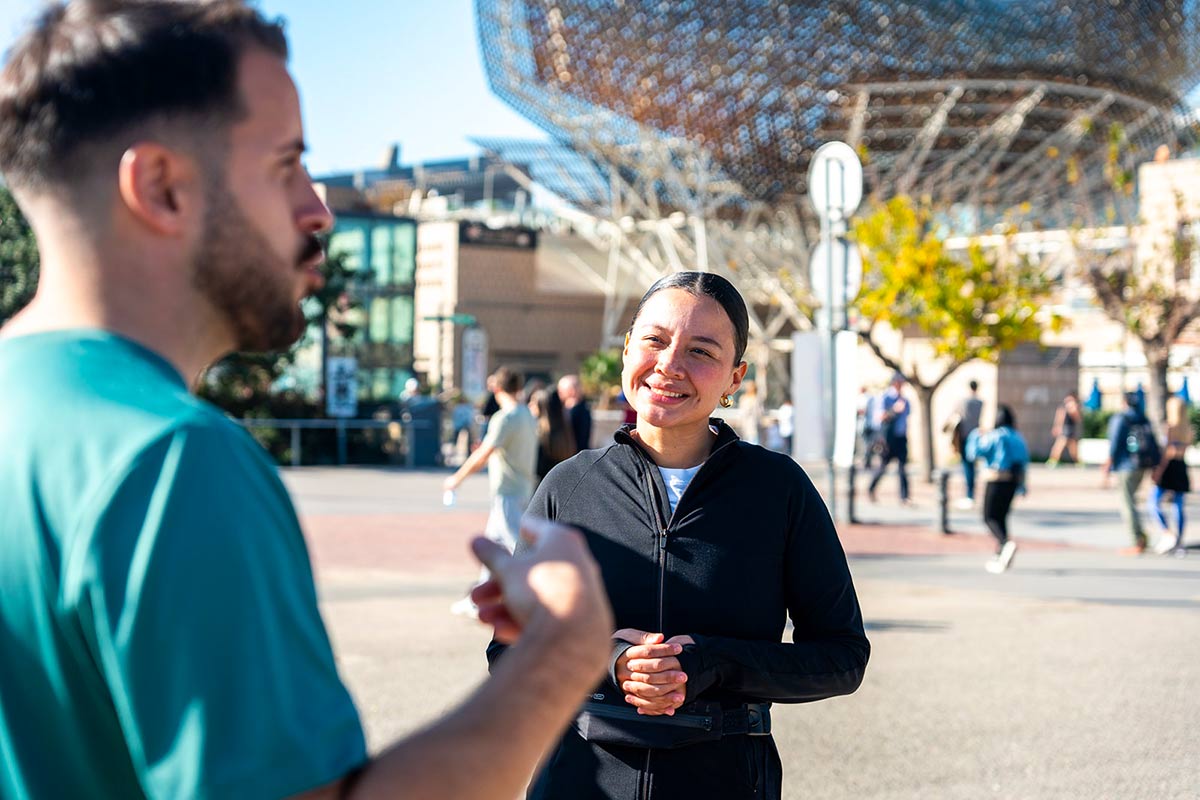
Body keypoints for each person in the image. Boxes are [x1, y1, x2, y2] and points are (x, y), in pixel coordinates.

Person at [0, 4, 613, 798]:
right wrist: (562, 654)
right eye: (286, 164)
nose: (318, 208)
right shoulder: (170, 463)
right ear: (159, 185)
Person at [487, 272, 870, 799]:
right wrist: (611, 660)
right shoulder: (568, 486)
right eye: (655, 340)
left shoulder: (778, 490)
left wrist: (713, 662)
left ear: (735, 378)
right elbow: (508, 650)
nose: (669, 364)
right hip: (581, 779)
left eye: (701, 351)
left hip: (725, 779)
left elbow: (841, 657)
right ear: (626, 350)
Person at [445, 366, 539, 614]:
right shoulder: (527, 415)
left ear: (496, 388)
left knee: (518, 548)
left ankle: (537, 600)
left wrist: (456, 478)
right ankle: (478, 600)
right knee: (494, 545)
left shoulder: (505, 418)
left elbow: (483, 454)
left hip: (507, 491)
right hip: (521, 489)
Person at [965, 405, 1030, 574]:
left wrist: (975, 435)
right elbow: (1024, 463)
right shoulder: (1018, 437)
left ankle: (1005, 543)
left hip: (996, 479)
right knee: (1002, 516)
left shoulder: (996, 436)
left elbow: (974, 452)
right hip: (1013, 481)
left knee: (989, 517)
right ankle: (1001, 553)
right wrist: (1023, 486)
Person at [1104, 392, 1162, 555]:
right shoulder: (1143, 418)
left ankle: (1137, 540)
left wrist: (1108, 463)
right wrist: (1155, 466)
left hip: (1125, 465)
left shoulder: (1121, 418)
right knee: (1132, 501)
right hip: (1143, 465)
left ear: (1124, 402)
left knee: (1127, 503)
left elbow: (1114, 442)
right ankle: (1141, 535)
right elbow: (1154, 443)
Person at [1149, 396, 1192, 555]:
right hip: (1181, 465)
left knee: (1153, 502)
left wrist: (1158, 471)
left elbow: (1167, 453)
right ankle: (1179, 541)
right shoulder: (1188, 429)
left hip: (1169, 466)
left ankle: (1167, 533)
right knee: (1178, 505)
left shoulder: (1170, 427)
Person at [868, 373, 912, 505]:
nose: (901, 386)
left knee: (903, 468)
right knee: (883, 467)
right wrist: (894, 410)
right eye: (900, 383)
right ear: (894, 383)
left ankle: (904, 497)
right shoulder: (885, 397)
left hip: (901, 437)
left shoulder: (905, 400)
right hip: (888, 438)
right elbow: (879, 417)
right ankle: (871, 488)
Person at [529, 385, 576, 482]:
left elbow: (537, 468)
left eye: (533, 402)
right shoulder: (565, 431)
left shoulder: (541, 434)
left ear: (542, 407)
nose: (529, 405)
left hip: (543, 486)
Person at [952, 380, 984, 510]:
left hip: (964, 435)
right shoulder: (980, 402)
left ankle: (969, 494)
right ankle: (971, 494)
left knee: (966, 466)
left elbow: (956, 414)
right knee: (972, 465)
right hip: (975, 435)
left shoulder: (964, 401)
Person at [558, 373, 594, 453]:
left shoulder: (576, 410)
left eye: (561, 391)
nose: (559, 394)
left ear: (571, 391)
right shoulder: (584, 408)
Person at [1046, 391, 1083, 467]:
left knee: (1073, 447)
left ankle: (1077, 461)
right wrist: (1057, 427)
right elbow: (1059, 418)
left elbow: (1078, 419)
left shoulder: (1074, 408)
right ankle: (1053, 460)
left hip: (1071, 428)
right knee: (1060, 445)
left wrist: (1074, 410)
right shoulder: (1063, 408)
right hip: (1065, 428)